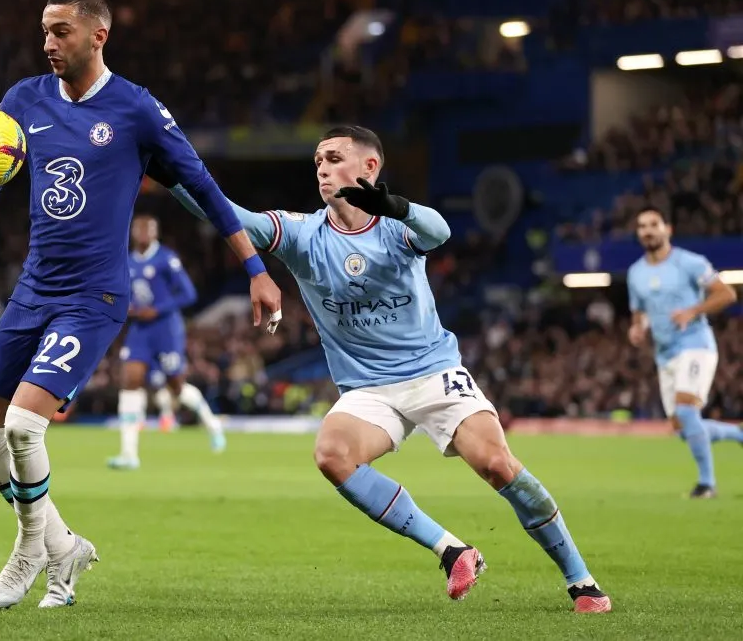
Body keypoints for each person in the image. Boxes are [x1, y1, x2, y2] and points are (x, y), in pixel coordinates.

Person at [0, 0, 281, 610]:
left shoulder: (137, 110)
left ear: (98, 36)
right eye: (45, 31)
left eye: (62, 31)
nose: (48, 43)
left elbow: (204, 185)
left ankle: (29, 548)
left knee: (22, 423)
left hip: (93, 296)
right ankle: (63, 544)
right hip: (33, 289)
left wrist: (255, 267)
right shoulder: (22, 100)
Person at [164, 125, 611, 613]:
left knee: (497, 464)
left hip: (433, 374)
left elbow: (439, 232)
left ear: (369, 167)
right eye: (318, 161)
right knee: (332, 454)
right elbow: (225, 214)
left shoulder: (399, 226)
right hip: (367, 388)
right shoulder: (300, 233)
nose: (322, 167)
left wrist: (394, 205)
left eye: (334, 157)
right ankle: (453, 550)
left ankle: (581, 581)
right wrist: (168, 171)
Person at [627, 206, 740, 499]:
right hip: (664, 355)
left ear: (668, 229)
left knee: (688, 411)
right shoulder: (635, 273)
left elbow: (726, 293)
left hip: (695, 344)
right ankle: (738, 435)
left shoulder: (690, 262)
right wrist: (637, 329)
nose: (647, 230)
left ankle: (707, 484)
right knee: (682, 428)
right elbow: (639, 313)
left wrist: (693, 310)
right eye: (642, 226)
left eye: (653, 224)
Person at [109, 214, 226, 470]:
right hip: (140, 329)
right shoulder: (126, 261)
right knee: (129, 380)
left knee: (176, 387)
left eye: (148, 228)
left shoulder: (166, 259)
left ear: (155, 233)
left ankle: (212, 423)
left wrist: (158, 309)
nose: (143, 233)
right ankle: (129, 454)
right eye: (139, 228)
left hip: (166, 329)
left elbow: (188, 294)